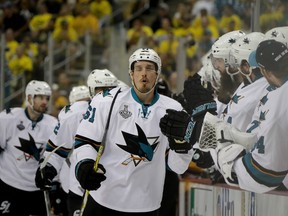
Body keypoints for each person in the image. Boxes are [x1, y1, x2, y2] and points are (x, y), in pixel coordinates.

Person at [72, 48, 194, 215]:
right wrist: (85, 164)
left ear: (157, 74)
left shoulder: (174, 110)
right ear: (131, 73)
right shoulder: (106, 102)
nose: (144, 73)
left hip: (146, 205)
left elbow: (177, 167)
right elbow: (84, 141)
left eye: (150, 68)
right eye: (139, 68)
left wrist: (182, 145)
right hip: (104, 199)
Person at [35, 70, 118, 216]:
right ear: (92, 91)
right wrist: (47, 169)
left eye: (110, 90)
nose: (106, 95)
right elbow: (58, 148)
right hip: (81, 189)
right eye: (102, 90)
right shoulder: (74, 114)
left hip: (114, 191)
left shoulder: (125, 114)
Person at [0, 80, 57, 215]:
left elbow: (55, 158)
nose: (45, 102)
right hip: (8, 185)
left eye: (47, 98)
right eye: (41, 97)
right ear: (29, 97)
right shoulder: (8, 118)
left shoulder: (53, 125)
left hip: (36, 189)